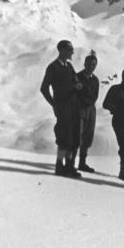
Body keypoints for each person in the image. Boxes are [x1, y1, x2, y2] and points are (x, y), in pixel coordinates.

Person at [40, 40, 83, 178]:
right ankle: (60, 166)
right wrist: (54, 104)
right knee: (64, 137)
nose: (72, 53)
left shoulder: (69, 66)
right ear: (62, 50)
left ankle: (69, 166)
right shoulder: (53, 68)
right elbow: (44, 88)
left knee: (73, 136)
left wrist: (77, 85)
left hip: (73, 106)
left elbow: (75, 80)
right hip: (63, 107)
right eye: (70, 50)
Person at [74, 51, 100, 172]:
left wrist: (88, 101)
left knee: (88, 136)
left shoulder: (95, 80)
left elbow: (95, 96)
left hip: (91, 109)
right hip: (79, 108)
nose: (91, 66)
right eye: (89, 64)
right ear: (84, 64)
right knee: (76, 135)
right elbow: (76, 94)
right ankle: (71, 162)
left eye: (94, 64)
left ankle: (82, 163)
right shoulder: (77, 77)